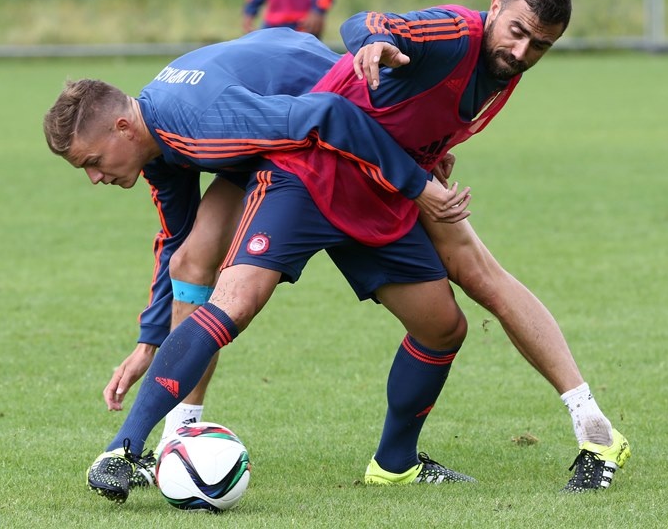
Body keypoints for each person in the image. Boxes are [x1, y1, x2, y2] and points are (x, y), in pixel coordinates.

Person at [107, 0, 631, 493]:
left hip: (379, 189)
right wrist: (378, 42)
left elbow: (411, 115)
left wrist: (427, 156)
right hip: (309, 173)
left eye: (540, 45)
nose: (521, 51)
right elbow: (367, 23)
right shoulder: (453, 32)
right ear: (495, 7)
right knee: (233, 299)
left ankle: (395, 463)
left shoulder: (501, 69)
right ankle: (124, 450)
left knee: (443, 326)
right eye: (517, 31)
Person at [44, 31, 478, 504]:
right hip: (293, 147)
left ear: (124, 128)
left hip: (346, 134)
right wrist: (149, 342)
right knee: (196, 263)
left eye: (93, 161)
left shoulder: (202, 123)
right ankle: (141, 445)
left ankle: (397, 463)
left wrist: (416, 176)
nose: (94, 177)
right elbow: (176, 242)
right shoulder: (159, 144)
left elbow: (327, 112)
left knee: (442, 325)